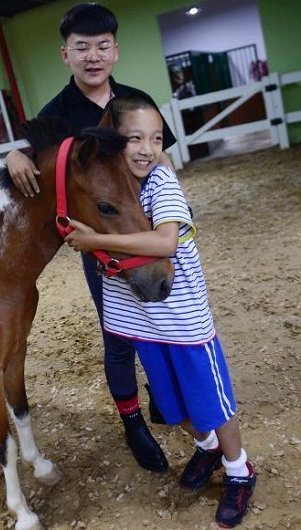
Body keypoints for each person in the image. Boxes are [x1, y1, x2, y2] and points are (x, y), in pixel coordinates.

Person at [63, 95, 256, 528]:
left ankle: (240, 470)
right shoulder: (111, 184)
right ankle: (206, 448)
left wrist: (94, 241)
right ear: (112, 143)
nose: (147, 148)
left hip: (184, 324)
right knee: (174, 408)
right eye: (135, 138)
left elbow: (166, 243)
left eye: (156, 138)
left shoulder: (161, 183)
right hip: (143, 324)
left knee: (213, 405)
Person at [5, 3, 177, 472]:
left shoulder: (137, 104)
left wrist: (172, 218)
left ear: (115, 51)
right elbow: (33, 154)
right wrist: (13, 154)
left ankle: (163, 398)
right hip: (101, 243)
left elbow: (162, 161)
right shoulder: (57, 113)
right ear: (66, 54)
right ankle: (133, 425)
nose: (93, 55)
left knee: (162, 319)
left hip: (144, 231)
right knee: (118, 335)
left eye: (102, 45)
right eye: (82, 47)